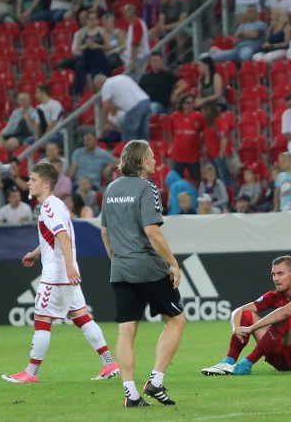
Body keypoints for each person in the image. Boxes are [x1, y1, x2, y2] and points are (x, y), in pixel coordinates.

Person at [2, 163, 119, 384]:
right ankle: (109, 363)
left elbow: (63, 236)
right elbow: (55, 237)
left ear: (46, 183)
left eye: (33, 179)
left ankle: (30, 373)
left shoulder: (48, 207)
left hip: (56, 275)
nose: (29, 183)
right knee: (82, 317)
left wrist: (67, 266)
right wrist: (37, 252)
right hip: (65, 274)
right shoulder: (58, 205)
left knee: (42, 320)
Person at [100, 140, 186, 407]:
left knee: (126, 331)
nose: (155, 161)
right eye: (150, 156)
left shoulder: (111, 188)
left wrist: (116, 259)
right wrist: (173, 263)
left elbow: (105, 232)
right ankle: (155, 381)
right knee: (175, 320)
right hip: (148, 267)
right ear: (140, 161)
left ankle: (130, 393)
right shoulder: (147, 188)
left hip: (121, 269)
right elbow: (152, 230)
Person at [201, 255, 291, 375]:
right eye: (273, 274)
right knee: (246, 315)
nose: (276, 278)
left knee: (283, 318)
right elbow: (238, 311)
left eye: (280, 274)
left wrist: (251, 328)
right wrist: (235, 328)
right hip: (284, 361)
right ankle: (228, 362)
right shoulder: (274, 296)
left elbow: (284, 313)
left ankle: (245, 365)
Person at [95, 74, 152, 141]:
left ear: (99, 84)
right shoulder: (122, 77)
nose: (99, 90)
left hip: (133, 107)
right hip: (146, 101)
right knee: (143, 136)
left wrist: (103, 126)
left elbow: (106, 107)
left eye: (98, 88)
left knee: (129, 137)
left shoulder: (106, 86)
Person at [168, 93, 205, 183]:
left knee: (196, 180)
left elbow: (203, 132)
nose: (190, 105)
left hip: (193, 155)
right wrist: (172, 146)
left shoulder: (199, 116)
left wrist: (200, 145)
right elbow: (170, 134)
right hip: (178, 155)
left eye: (192, 102)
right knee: (176, 180)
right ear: (182, 104)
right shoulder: (174, 116)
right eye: (188, 103)